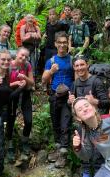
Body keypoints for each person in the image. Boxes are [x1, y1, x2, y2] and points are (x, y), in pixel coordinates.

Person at [68, 55, 110, 177]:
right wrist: (70, 102)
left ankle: (100, 172)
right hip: (82, 124)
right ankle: (86, 170)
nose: (80, 68)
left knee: (100, 150)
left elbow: (108, 102)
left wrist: (94, 101)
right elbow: (74, 108)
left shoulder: (96, 81)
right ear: (74, 68)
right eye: (77, 65)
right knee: (83, 145)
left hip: (99, 122)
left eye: (82, 64)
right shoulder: (74, 83)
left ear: (87, 65)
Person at [42, 31, 74, 168]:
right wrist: (51, 72)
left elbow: (76, 78)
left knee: (65, 124)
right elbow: (44, 79)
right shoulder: (51, 61)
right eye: (59, 42)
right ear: (55, 44)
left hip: (68, 96)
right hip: (55, 95)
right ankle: (58, 149)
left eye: (64, 42)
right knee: (55, 124)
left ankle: (63, 154)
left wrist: (74, 95)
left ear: (68, 44)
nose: (62, 45)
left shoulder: (72, 60)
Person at [6, 47, 34, 162]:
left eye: (26, 56)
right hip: (12, 94)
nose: (23, 58)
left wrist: (25, 78)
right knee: (11, 120)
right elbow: (4, 85)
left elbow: (32, 83)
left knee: (28, 120)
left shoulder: (27, 66)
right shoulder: (9, 65)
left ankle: (25, 141)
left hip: (25, 94)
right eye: (22, 55)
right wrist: (15, 83)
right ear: (17, 54)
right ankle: (10, 144)